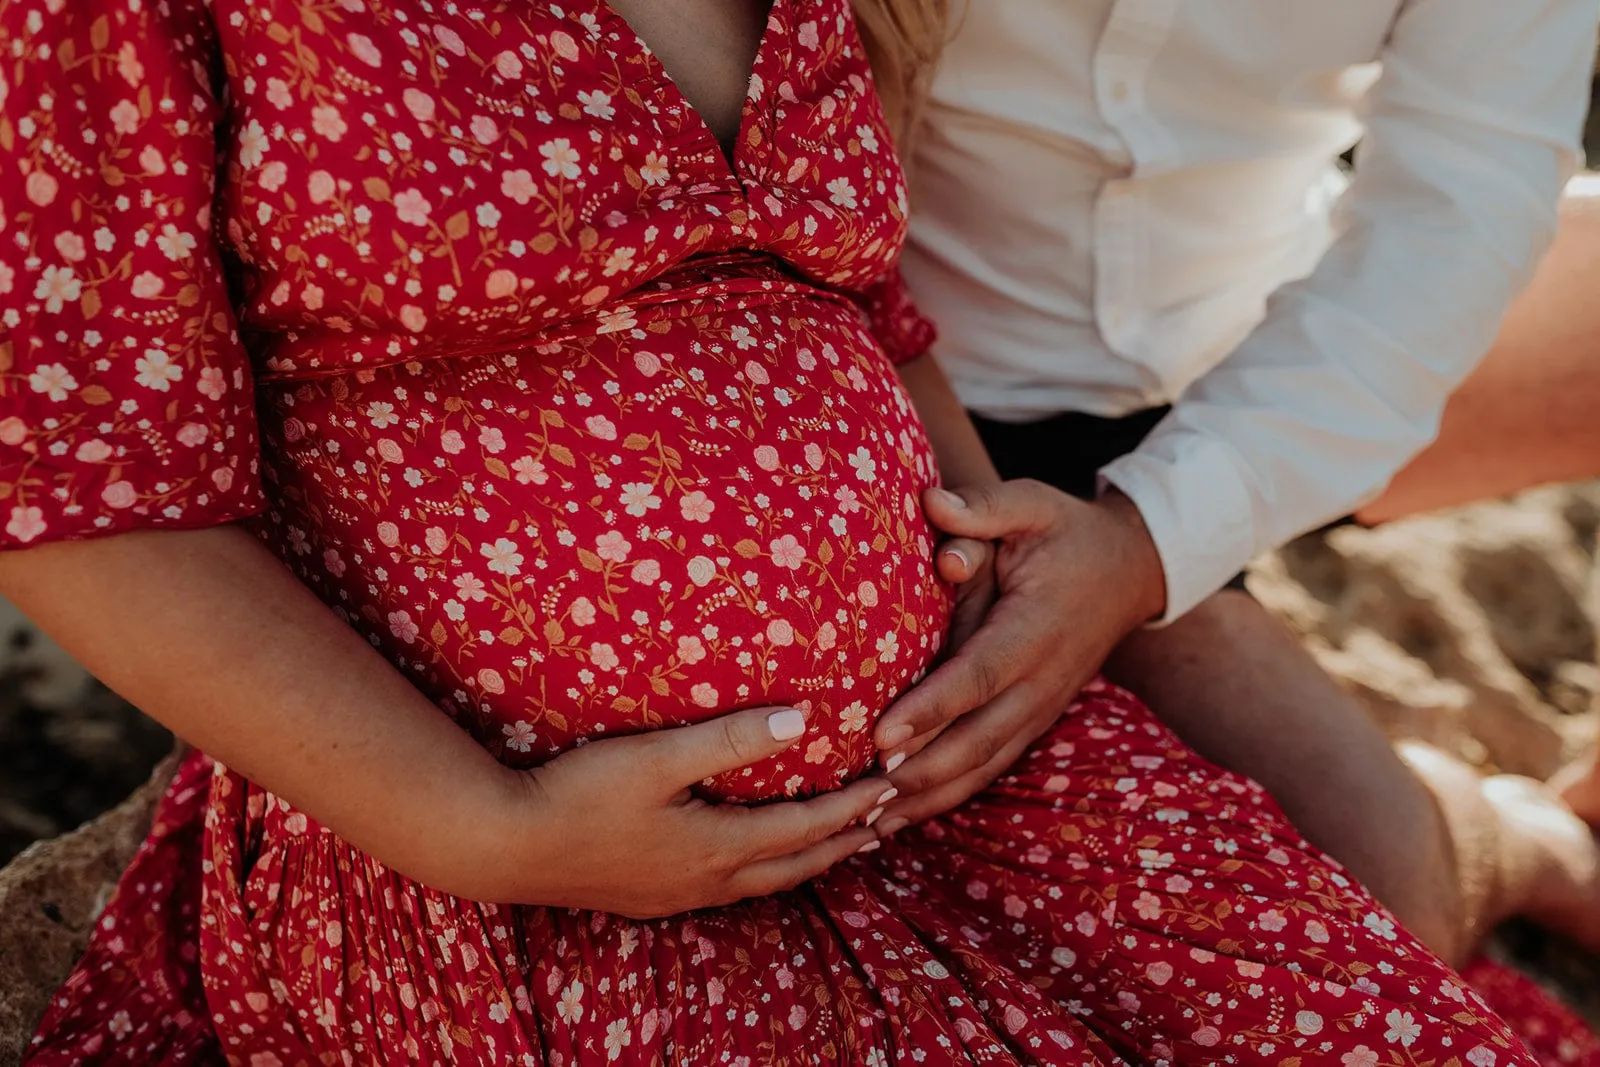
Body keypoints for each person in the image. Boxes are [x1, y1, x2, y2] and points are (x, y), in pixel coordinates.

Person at [2, 0, 1587, 1063]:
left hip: (1169, 446)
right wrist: (487, 825)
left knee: (1365, 924)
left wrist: (1091, 575)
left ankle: (1484, 822)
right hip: (555, 822)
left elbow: (1441, 229)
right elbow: (83, 467)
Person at [859, 0, 1600, 983]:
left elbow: (1460, 204)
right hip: (934, 382)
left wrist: (1153, 538)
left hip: (1261, 334)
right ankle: (1524, 840)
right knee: (1377, 902)